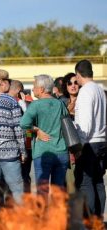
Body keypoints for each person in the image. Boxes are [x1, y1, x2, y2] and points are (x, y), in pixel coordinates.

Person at [20, 74, 69, 201]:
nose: (33, 89)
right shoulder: (60, 104)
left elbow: (23, 124)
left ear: (41, 89)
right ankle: (58, 219)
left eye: (34, 86)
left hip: (43, 152)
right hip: (61, 151)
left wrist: (36, 130)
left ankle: (43, 220)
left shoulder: (35, 105)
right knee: (58, 192)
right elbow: (67, 123)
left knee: (42, 192)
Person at [0, 69, 25, 211]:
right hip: (9, 152)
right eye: (8, 81)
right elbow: (18, 128)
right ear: (2, 83)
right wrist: (23, 151)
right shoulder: (11, 101)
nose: (9, 83)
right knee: (16, 189)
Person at [73, 60, 107, 217]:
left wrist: (79, 146)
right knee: (98, 182)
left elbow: (85, 123)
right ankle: (98, 219)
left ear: (78, 75)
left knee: (86, 182)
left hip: (89, 143)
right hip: (102, 141)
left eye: (76, 78)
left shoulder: (86, 91)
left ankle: (90, 221)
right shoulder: (100, 90)